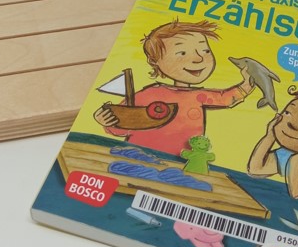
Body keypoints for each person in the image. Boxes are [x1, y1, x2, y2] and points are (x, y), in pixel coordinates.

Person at [93, 19, 254, 156]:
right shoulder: (148, 94)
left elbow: (225, 98)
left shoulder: (198, 96)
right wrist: (106, 121)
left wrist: (247, 84)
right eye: (182, 53)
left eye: (205, 50)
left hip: (180, 161)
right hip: (139, 156)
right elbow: (121, 127)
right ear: (154, 61)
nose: (198, 58)